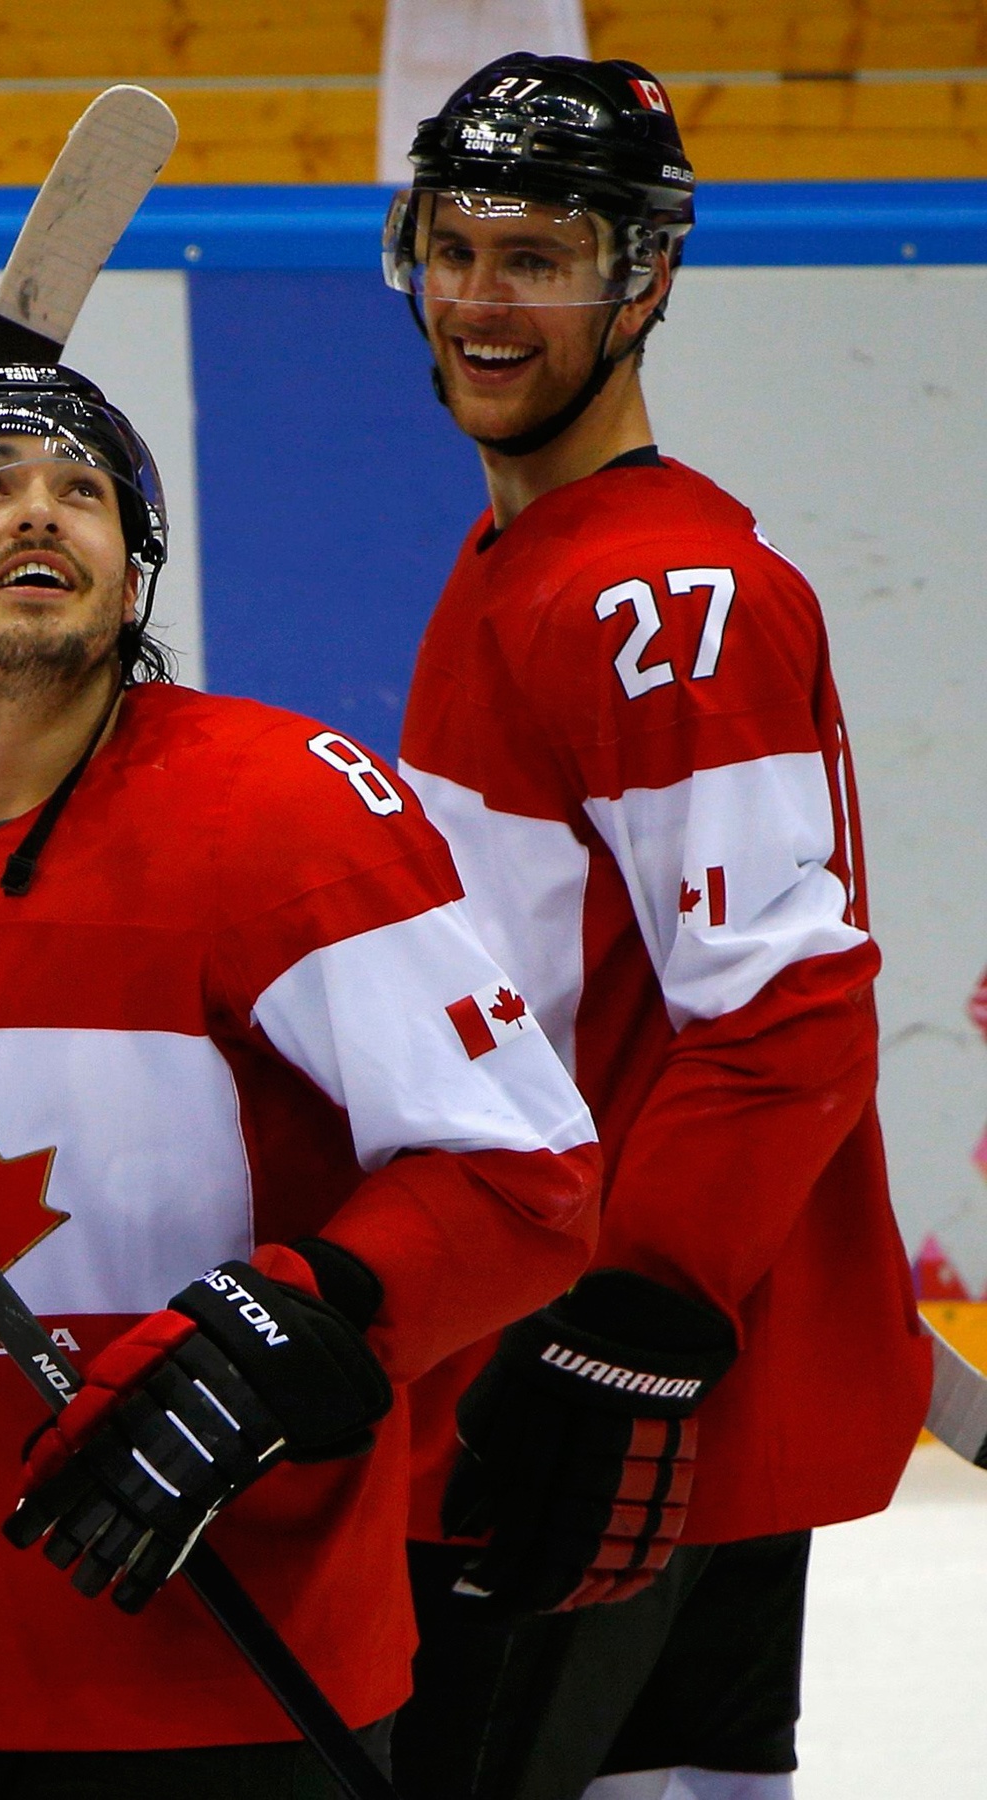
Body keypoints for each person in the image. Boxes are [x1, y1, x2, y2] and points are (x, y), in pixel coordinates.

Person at [0, 360, 603, 1799]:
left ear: (133, 577)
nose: (43, 512)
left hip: (248, 1693)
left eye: (84, 493)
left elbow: (529, 1179)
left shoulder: (285, 813)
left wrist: (292, 1325)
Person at [382, 56, 929, 1799]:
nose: (480, 299)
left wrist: (630, 1325)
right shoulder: (525, 561)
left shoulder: (659, 597)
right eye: (450, 246)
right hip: (578, 1373)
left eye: (534, 254)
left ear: (646, 278)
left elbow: (785, 1028)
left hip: (609, 1406)